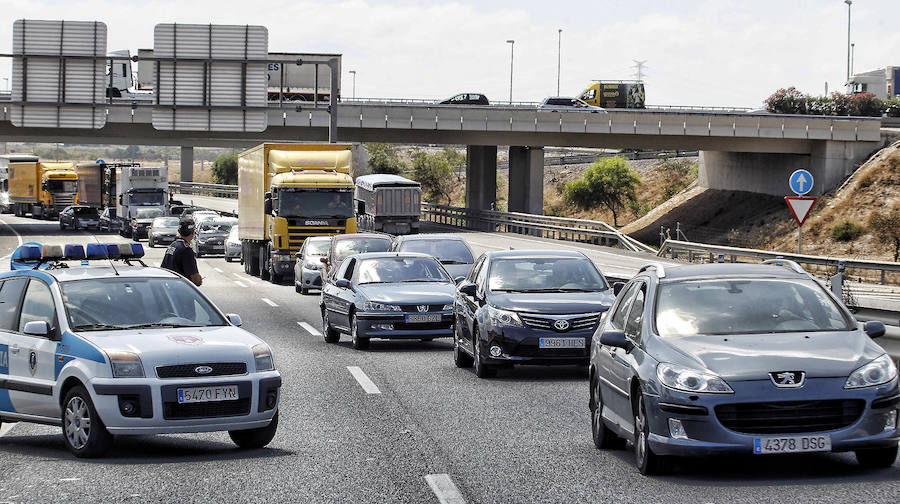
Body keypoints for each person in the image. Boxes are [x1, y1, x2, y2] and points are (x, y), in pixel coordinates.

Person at [161, 220, 203, 286]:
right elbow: (195, 280)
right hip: (180, 289)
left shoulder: (173, 245)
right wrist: (199, 279)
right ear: (193, 232)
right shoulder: (186, 250)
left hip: (168, 286)